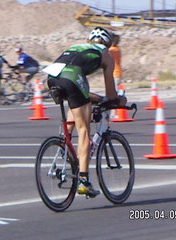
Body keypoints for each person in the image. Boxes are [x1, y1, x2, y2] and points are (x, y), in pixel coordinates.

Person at [45, 27, 127, 197]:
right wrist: (119, 100)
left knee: (77, 103)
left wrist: (96, 98)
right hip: (72, 77)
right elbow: (111, 94)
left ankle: (64, 145)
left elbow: (78, 90)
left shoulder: (77, 47)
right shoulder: (106, 53)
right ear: (108, 43)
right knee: (84, 130)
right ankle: (84, 180)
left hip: (52, 76)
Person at [109, 33, 123, 119]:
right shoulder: (117, 49)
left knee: (113, 93)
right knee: (114, 92)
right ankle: (113, 112)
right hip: (117, 73)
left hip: (115, 74)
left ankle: (113, 113)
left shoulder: (113, 50)